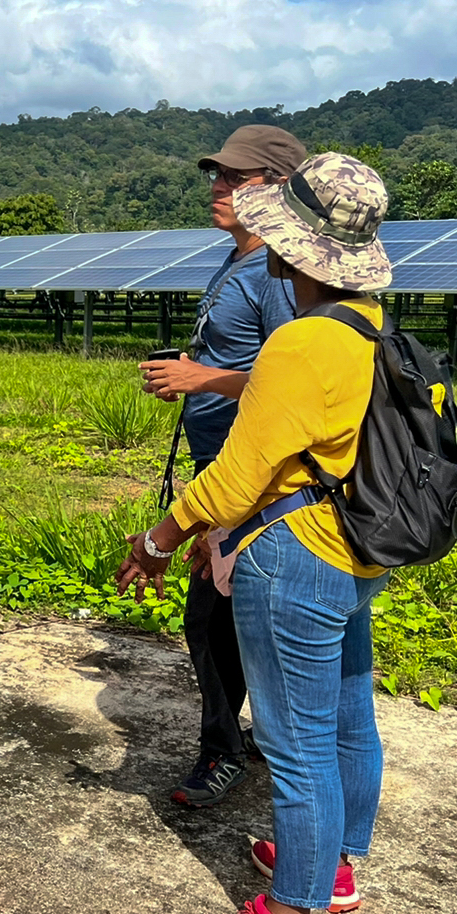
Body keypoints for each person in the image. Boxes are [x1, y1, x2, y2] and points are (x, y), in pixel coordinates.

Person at [117, 153, 395, 914]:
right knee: (347, 713)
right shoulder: (369, 324)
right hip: (353, 547)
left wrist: (161, 538)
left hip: (294, 555)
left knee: (295, 740)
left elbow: (239, 474)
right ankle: (334, 866)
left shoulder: (301, 343)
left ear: (289, 249)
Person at [140, 124, 305, 808]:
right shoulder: (238, 261)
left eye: (236, 179)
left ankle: (226, 752)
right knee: (229, 619)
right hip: (221, 472)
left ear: (278, 188)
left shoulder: (279, 273)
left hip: (255, 480)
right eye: (218, 176)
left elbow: (291, 386)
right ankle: (257, 741)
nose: (218, 187)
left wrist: (200, 380)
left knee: (213, 621)